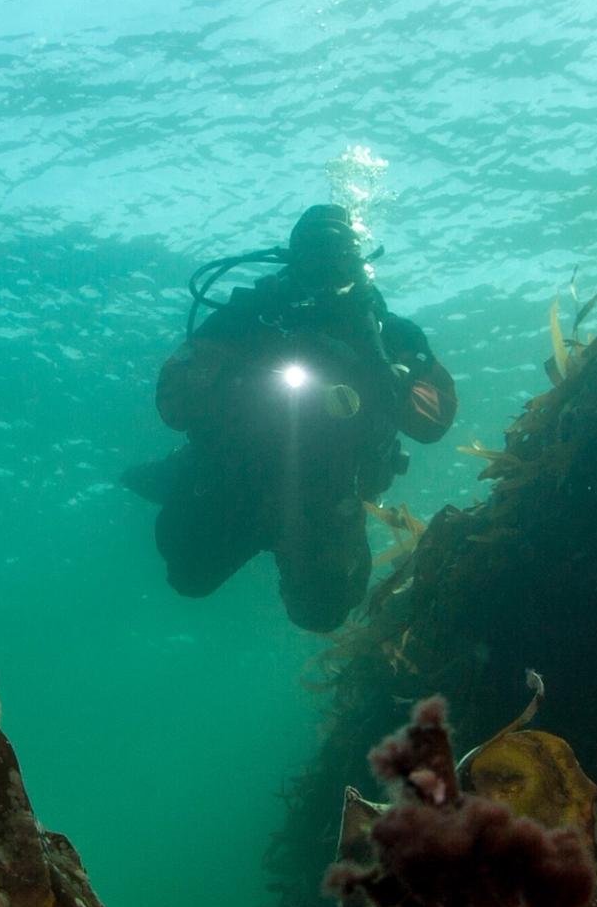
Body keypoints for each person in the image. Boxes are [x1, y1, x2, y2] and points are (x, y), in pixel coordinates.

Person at [127, 205, 456, 632]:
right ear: (292, 260)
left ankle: (194, 479)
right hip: (238, 476)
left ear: (358, 262)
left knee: (325, 611)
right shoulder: (248, 316)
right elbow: (173, 402)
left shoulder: (389, 334)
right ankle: (183, 470)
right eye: (314, 256)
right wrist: (249, 378)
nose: (325, 269)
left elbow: (434, 423)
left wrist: (389, 380)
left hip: (327, 498)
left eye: (337, 256)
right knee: (187, 574)